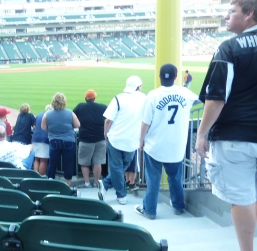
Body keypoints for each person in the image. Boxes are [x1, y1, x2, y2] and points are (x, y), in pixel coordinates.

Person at [195, 0, 257, 251]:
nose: (226, 16)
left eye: (232, 11)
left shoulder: (230, 47)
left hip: (236, 138)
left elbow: (216, 98)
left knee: (242, 198)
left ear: (250, 14)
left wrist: (201, 133)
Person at [135, 64, 199, 220]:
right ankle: (178, 206)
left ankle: (149, 211)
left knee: (153, 180)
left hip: (154, 146)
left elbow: (145, 122)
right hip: (176, 146)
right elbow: (200, 100)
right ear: (176, 76)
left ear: (159, 76)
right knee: (175, 178)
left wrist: (141, 140)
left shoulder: (153, 95)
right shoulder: (184, 93)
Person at [98, 76, 146, 205]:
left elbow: (108, 120)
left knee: (117, 167)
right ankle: (121, 195)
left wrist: (105, 133)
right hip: (132, 141)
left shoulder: (118, 98)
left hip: (116, 139)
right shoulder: (144, 99)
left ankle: (106, 183)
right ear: (139, 87)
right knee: (120, 166)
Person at [42, 92, 80, 186]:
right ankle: (68, 185)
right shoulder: (70, 113)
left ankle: (50, 184)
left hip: (54, 141)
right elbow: (77, 125)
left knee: (52, 163)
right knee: (68, 164)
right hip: (68, 141)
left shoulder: (47, 114)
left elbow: (44, 128)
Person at [73, 89, 107, 188]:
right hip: (100, 139)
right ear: (94, 98)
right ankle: (96, 183)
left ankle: (87, 183)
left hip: (85, 139)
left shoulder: (80, 106)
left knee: (84, 162)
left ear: (85, 98)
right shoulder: (102, 107)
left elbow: (73, 118)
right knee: (98, 162)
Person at [32, 104, 52, 177]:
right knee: (44, 160)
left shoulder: (40, 114)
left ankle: (35, 176)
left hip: (35, 138)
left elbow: (34, 126)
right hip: (44, 139)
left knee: (36, 158)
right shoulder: (50, 116)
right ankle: (41, 177)